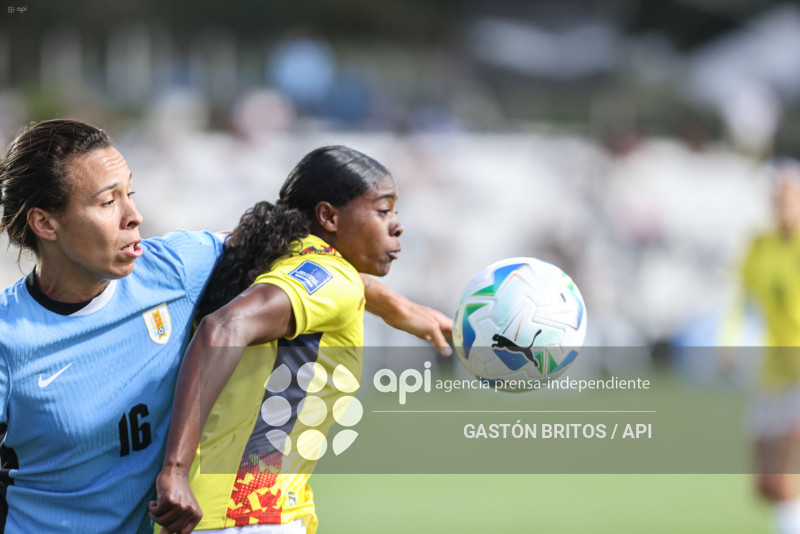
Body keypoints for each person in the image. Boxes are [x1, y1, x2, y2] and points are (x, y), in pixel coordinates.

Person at [0, 120, 451, 533]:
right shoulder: (9, 336)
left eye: (130, 194)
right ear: (44, 222)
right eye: (106, 201)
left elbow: (295, 254)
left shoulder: (175, 268)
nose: (133, 216)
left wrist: (398, 308)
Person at [149, 146, 405, 533]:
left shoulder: (269, 259)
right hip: (250, 514)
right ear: (328, 217)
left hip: (207, 512)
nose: (397, 225)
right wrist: (176, 468)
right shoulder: (330, 276)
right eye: (383, 211)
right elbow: (224, 327)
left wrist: (400, 310)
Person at [737, 158, 800, 534]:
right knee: (765, 486)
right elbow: (742, 302)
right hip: (773, 371)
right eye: (775, 194)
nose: (781, 201)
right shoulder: (759, 246)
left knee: (783, 476)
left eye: (788, 193)